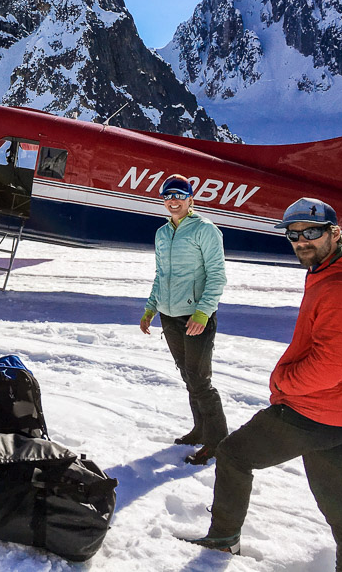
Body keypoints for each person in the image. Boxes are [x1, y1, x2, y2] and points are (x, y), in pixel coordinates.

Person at [186, 198, 342, 567]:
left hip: (313, 413)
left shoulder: (339, 285)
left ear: (334, 233)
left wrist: (283, 382)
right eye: (294, 234)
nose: (302, 240)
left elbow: (330, 365)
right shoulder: (335, 273)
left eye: (312, 232)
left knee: (233, 455)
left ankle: (223, 539)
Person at [140, 174, 228, 465]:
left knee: (200, 380)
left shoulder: (206, 230)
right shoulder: (162, 233)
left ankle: (217, 442)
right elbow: (160, 275)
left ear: (191, 199)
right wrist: (150, 309)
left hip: (196, 316)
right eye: (167, 195)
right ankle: (201, 430)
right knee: (188, 375)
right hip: (169, 314)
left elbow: (217, 276)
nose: (173, 200)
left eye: (179, 194)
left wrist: (202, 313)